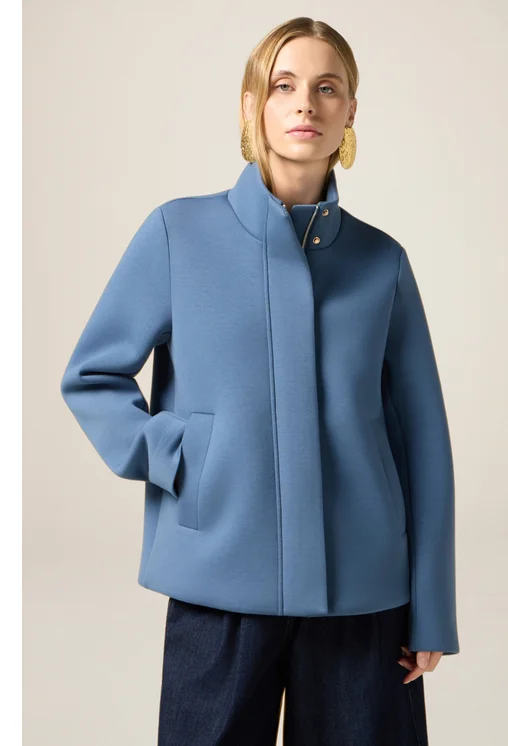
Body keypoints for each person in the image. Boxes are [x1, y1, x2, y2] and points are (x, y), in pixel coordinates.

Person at [60, 16, 459, 746]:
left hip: (363, 596)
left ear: (350, 111)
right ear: (252, 104)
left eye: (327, 88)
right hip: (219, 581)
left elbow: (423, 439)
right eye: (284, 85)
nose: (306, 102)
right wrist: (183, 454)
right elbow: (92, 374)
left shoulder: (383, 262)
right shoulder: (178, 234)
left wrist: (431, 606)